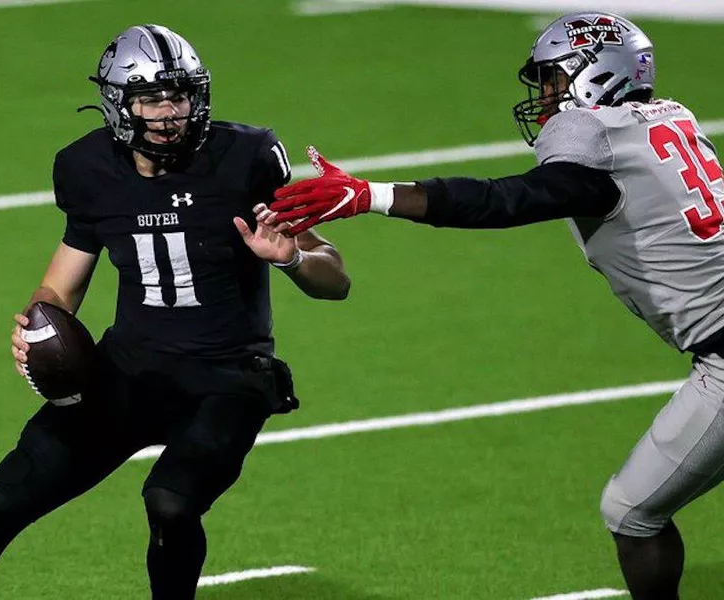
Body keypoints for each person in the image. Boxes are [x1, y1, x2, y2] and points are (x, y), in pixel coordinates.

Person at [270, 13, 724, 600]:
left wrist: (372, 196)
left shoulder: (591, 135)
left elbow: (507, 201)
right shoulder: (674, 118)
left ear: (596, 75)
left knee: (631, 511)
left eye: (555, 80)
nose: (547, 97)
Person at [0, 23, 349, 600]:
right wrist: (35, 326)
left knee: (170, 502)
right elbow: (60, 285)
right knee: (9, 496)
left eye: (181, 96)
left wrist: (292, 256)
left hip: (228, 375)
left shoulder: (245, 156)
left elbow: (335, 280)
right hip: (128, 370)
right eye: (152, 98)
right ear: (119, 105)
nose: (170, 112)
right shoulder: (87, 168)